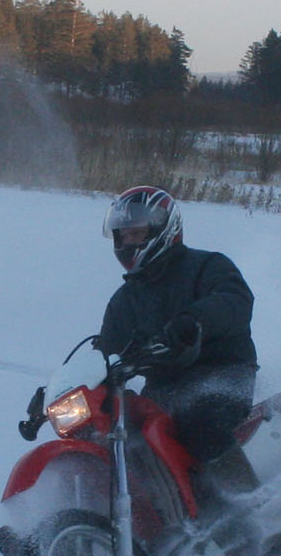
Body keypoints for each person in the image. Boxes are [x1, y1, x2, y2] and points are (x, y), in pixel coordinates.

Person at [96, 184, 259, 504]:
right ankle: (135, 524)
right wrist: (61, 391)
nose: (128, 241)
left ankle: (259, 510)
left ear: (163, 228)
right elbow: (104, 352)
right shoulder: (124, 300)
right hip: (165, 388)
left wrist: (194, 320)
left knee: (199, 422)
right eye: (122, 235)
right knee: (114, 433)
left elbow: (235, 301)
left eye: (136, 233)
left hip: (223, 375)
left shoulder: (207, 266)